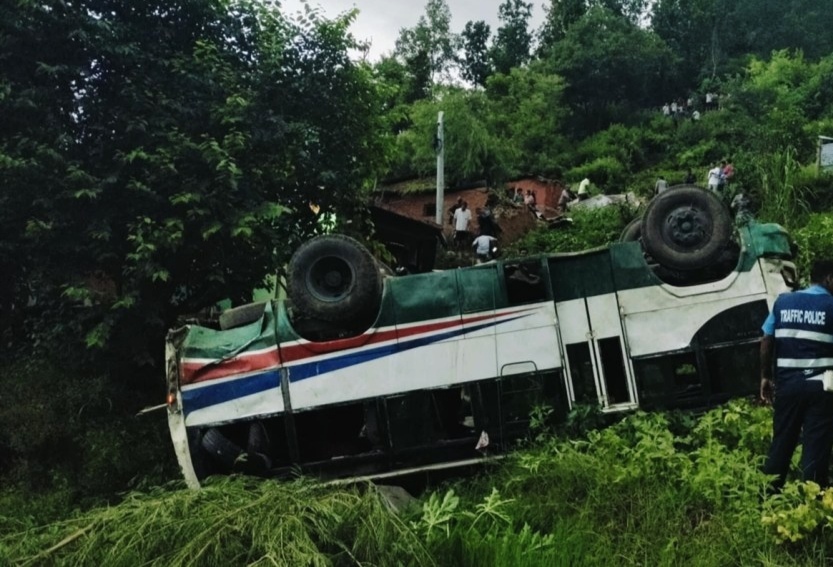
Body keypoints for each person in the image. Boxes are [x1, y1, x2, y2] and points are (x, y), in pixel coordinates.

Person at [760, 260, 833, 491]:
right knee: (816, 446)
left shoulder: (783, 302)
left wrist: (765, 376)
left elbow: (766, 339)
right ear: (829, 279)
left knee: (781, 443)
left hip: (787, 387)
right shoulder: (831, 305)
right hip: (822, 388)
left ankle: (768, 497)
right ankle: (813, 501)